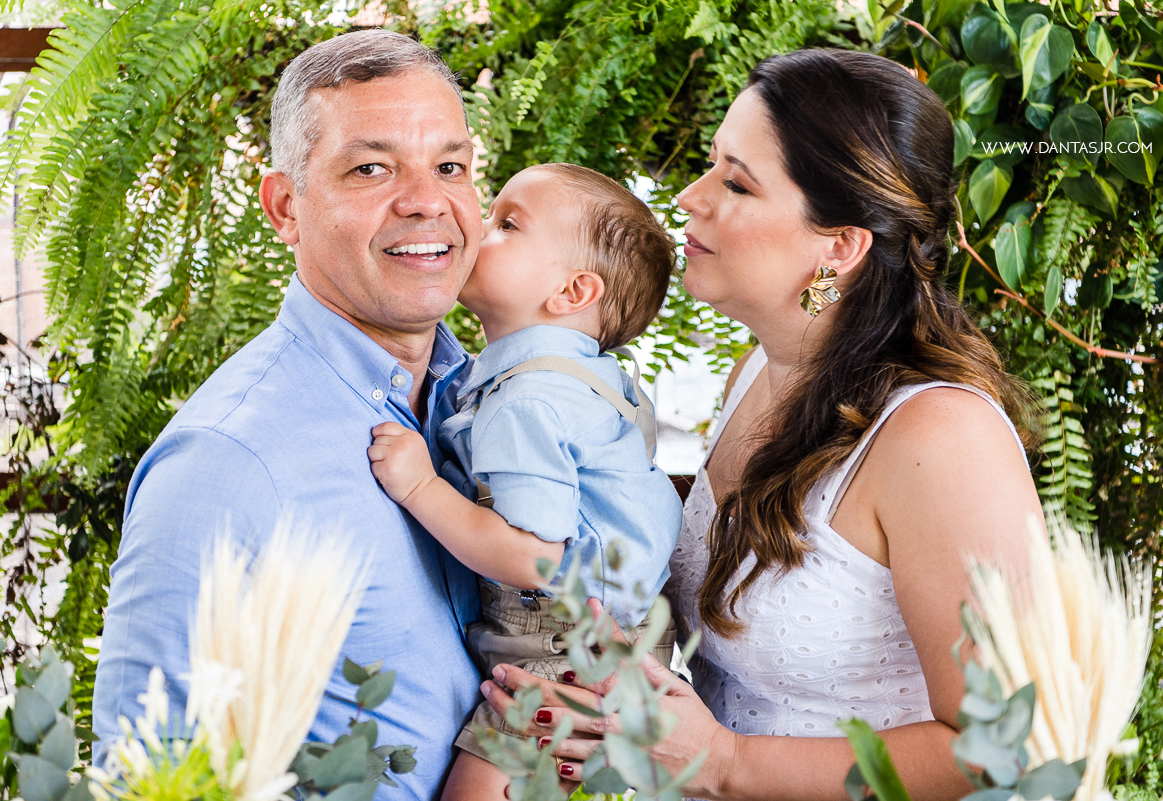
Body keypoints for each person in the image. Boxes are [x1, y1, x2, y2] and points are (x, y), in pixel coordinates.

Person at [480, 49, 1046, 800]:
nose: (689, 196)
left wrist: (727, 762)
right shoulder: (758, 370)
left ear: (837, 247)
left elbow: (1010, 746)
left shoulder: (942, 438)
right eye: (711, 164)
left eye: (736, 182)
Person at [91, 30, 486, 799]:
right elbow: (150, 780)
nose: (427, 200)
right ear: (284, 207)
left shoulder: (482, 406)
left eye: (450, 166)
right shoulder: (228, 463)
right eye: (371, 169)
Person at [367, 163, 683, 800]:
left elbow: (535, 557)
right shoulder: (581, 379)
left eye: (508, 224)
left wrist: (420, 487)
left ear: (571, 292)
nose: (478, 229)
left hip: (561, 652)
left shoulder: (526, 402)